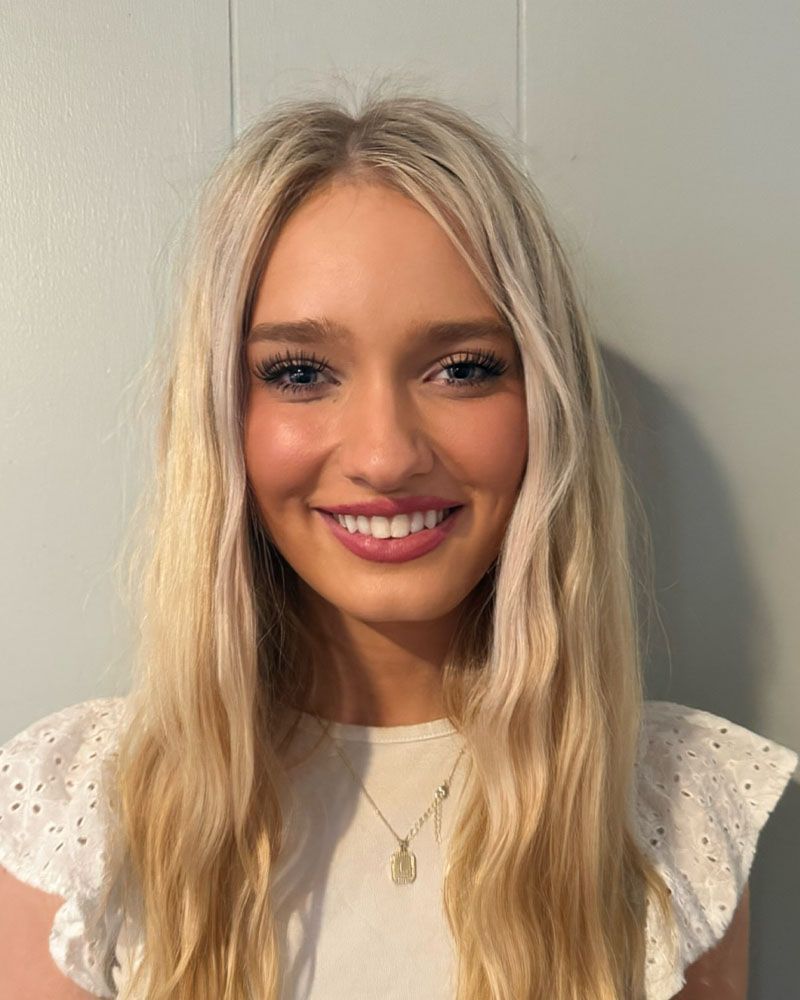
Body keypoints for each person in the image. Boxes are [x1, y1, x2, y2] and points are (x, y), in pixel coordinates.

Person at [0, 88, 796, 1000]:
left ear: (547, 402)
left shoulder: (678, 809)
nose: (384, 456)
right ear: (221, 414)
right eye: (300, 372)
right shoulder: (75, 815)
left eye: (462, 368)